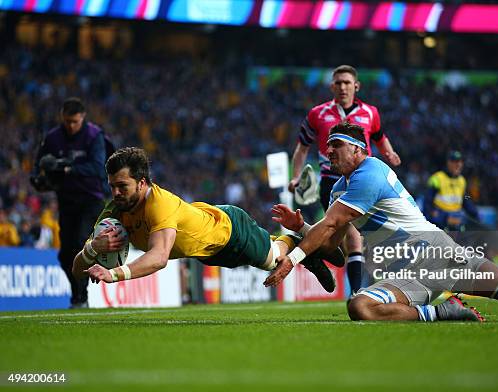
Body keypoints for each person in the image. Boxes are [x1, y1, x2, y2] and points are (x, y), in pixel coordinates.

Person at [265, 122, 498, 322]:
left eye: (336, 145)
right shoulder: (339, 189)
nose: (329, 152)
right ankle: (446, 312)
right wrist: (301, 228)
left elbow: (330, 227)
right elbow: (335, 251)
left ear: (360, 150)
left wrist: (292, 261)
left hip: (439, 255)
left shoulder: (371, 171)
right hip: (403, 274)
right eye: (326, 147)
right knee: (360, 306)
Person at [73, 147, 342, 292]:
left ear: (142, 183)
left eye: (122, 186)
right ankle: (307, 249)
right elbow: (77, 270)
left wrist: (113, 274)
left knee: (273, 259)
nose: (116, 193)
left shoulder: (158, 203)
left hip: (229, 229)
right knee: (268, 260)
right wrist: (92, 249)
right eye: (112, 186)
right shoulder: (114, 211)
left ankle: (300, 243)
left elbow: (159, 257)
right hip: (208, 251)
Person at [288, 65, 402, 295]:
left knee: (358, 241)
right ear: (332, 86)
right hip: (332, 183)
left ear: (356, 86)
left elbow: (380, 137)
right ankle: (358, 294)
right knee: (352, 239)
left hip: (365, 181)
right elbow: (301, 148)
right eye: (338, 83)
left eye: (347, 83)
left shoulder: (371, 113)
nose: (343, 87)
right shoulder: (317, 114)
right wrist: (295, 176)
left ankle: (324, 263)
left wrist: (389, 153)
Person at [30, 98, 108, 308]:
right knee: (65, 254)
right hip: (67, 201)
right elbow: (38, 165)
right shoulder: (53, 138)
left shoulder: (94, 136)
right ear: (62, 118)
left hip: (92, 199)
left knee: (79, 244)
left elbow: (98, 168)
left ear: (82, 117)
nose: (71, 126)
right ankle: (79, 295)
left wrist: (67, 168)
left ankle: (80, 297)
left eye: (74, 121)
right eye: (67, 121)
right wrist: (38, 179)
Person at [423, 150, 479, 231]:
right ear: (448, 162)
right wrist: (440, 219)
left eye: (461, 162)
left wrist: (475, 213)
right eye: (455, 162)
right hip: (441, 222)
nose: (459, 165)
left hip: (457, 221)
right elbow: (428, 204)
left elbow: (465, 198)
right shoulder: (437, 178)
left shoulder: (462, 180)